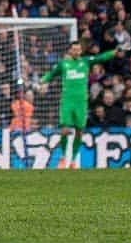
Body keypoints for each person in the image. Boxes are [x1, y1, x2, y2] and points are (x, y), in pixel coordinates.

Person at [40, 38, 116, 169]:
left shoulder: (86, 62)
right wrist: (43, 80)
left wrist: (113, 52)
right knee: (64, 130)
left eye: (78, 49)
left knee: (79, 131)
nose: (76, 51)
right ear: (70, 51)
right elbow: (51, 75)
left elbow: (100, 58)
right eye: (74, 49)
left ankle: (74, 160)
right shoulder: (63, 64)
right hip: (67, 101)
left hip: (81, 102)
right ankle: (63, 157)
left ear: (81, 51)